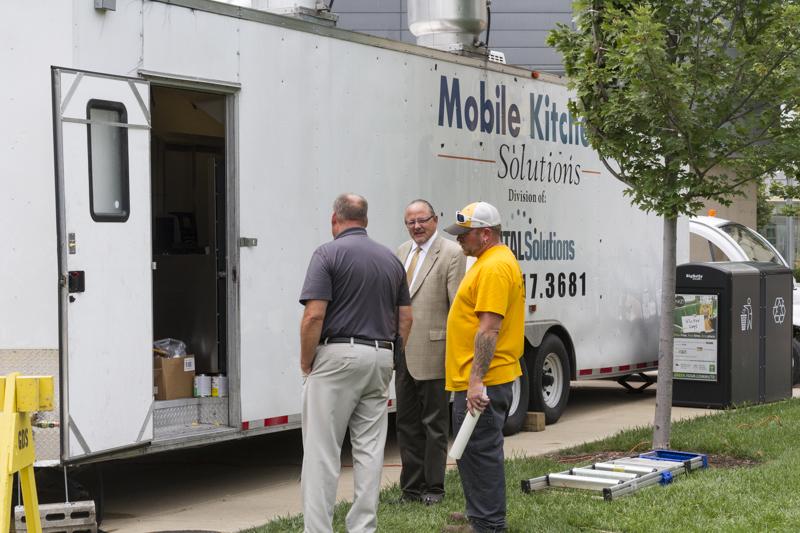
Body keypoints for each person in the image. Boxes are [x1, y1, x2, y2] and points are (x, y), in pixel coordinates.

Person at [299, 193, 413, 533]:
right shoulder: (391, 260)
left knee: (322, 451)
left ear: (335, 219)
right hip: (380, 355)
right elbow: (405, 318)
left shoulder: (327, 254)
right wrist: (392, 356)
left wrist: (307, 361)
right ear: (365, 219)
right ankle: (363, 527)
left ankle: (318, 529)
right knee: (369, 450)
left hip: (338, 354)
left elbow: (313, 315)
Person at [441, 201, 525, 533]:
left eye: (466, 234)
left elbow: (489, 328)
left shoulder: (493, 267)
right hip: (479, 379)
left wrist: (476, 382)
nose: (460, 239)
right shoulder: (488, 261)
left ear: (486, 234)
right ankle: (480, 514)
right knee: (473, 452)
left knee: (480, 451)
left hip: (482, 382)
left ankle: (488, 524)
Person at [395, 199, 466, 505]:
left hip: (436, 351)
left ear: (435, 219)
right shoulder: (401, 252)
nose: (417, 227)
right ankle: (410, 490)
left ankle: (434, 488)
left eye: (422, 220)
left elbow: (457, 309)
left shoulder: (451, 252)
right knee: (406, 424)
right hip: (404, 353)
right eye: (411, 222)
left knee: (434, 425)